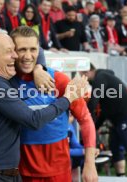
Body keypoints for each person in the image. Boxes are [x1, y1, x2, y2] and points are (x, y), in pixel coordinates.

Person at [0, 29, 89, 182]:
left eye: (32, 50)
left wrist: (39, 67)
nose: (20, 56)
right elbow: (33, 120)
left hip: (21, 173)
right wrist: (67, 98)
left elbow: (85, 119)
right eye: (15, 51)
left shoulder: (55, 78)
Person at [9, 26, 97, 182]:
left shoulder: (59, 80)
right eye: (22, 50)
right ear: (12, 51)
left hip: (59, 170)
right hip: (21, 171)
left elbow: (85, 119)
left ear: (39, 50)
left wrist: (90, 164)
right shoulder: (5, 83)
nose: (28, 56)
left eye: (33, 49)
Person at [81, 64, 127, 177]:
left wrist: (85, 121)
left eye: (82, 75)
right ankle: (121, 177)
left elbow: (93, 103)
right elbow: (103, 109)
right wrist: (94, 126)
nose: (84, 79)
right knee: (115, 148)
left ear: (87, 71)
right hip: (117, 118)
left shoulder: (101, 77)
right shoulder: (103, 78)